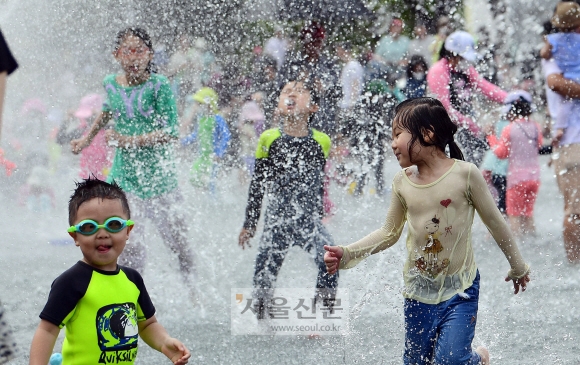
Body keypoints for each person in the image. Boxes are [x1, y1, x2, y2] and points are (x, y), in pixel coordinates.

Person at [324, 98, 530, 365]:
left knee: (450, 361)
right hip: (418, 292)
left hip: (461, 289)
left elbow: (496, 223)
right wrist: (348, 252)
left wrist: (518, 266)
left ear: (427, 133)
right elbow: (389, 232)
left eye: (398, 134)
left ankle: (478, 359)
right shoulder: (402, 182)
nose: (392, 143)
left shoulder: (465, 175)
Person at [70, 27, 195, 285]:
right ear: (117, 55)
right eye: (128, 51)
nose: (134, 57)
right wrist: (86, 139)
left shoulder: (159, 85)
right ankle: (132, 297)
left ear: (150, 55)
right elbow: (107, 111)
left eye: (140, 51)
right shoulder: (111, 83)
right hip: (125, 176)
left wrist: (130, 141)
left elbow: (172, 130)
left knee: (177, 243)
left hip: (160, 178)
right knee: (130, 242)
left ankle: (193, 289)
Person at [29, 178, 190, 365]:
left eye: (113, 224)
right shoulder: (71, 282)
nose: (103, 234)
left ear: (128, 231)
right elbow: (47, 330)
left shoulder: (132, 279)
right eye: (89, 227)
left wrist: (165, 343)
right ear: (75, 236)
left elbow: (147, 324)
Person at [238, 78, 339, 319]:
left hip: (307, 222)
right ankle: (262, 322)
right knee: (263, 280)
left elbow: (318, 184)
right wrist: (250, 224)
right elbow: (257, 186)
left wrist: (322, 214)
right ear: (277, 106)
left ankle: (322, 318)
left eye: (300, 91)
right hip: (276, 224)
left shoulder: (321, 141)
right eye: (286, 91)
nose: (291, 94)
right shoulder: (269, 139)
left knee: (331, 260)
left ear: (313, 107)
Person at [427, 30, 507, 166]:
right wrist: (471, 125)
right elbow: (445, 109)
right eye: (464, 58)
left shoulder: (464, 69)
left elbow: (485, 87)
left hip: (466, 122)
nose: (466, 62)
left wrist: (510, 98)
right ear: (453, 54)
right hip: (445, 127)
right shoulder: (439, 71)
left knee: (479, 158)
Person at [542, 16, 580, 263]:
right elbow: (555, 83)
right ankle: (574, 267)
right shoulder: (556, 53)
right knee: (576, 211)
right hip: (573, 144)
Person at [487, 91, 542, 236]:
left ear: (512, 110)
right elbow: (539, 146)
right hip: (534, 178)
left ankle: (518, 245)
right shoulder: (536, 127)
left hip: (517, 179)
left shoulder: (509, 128)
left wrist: (491, 137)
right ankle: (533, 243)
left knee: (514, 213)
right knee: (528, 212)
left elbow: (501, 153)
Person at [180, 87, 231, 189]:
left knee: (211, 182)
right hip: (202, 156)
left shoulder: (217, 118)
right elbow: (196, 134)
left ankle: (214, 201)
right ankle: (204, 194)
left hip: (213, 156)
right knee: (193, 178)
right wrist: (182, 142)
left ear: (209, 104)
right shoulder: (201, 118)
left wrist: (220, 152)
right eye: (197, 104)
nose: (197, 106)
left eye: (200, 104)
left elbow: (226, 135)